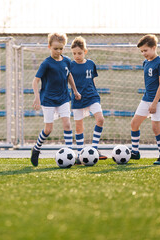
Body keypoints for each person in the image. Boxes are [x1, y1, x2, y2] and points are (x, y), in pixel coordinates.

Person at [30, 33, 81, 167]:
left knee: (67, 125)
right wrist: (37, 97)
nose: (58, 51)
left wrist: (75, 90)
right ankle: (36, 148)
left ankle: (70, 153)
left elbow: (69, 75)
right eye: (55, 48)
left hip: (64, 98)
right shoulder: (46, 63)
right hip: (48, 100)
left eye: (61, 48)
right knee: (48, 129)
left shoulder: (67, 61)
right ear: (49, 47)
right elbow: (35, 81)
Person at [130, 34, 160, 165]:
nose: (143, 53)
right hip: (146, 98)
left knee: (156, 128)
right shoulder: (145, 62)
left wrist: (154, 103)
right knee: (134, 123)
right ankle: (135, 152)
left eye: (145, 50)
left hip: (158, 100)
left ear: (154, 47)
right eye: (141, 51)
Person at [69, 36, 107, 164]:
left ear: (85, 52)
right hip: (77, 99)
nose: (77, 55)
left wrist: (94, 92)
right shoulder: (70, 65)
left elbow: (92, 80)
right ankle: (80, 154)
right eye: (74, 53)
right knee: (79, 128)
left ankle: (94, 149)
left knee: (100, 119)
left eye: (79, 53)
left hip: (92, 97)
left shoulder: (91, 64)